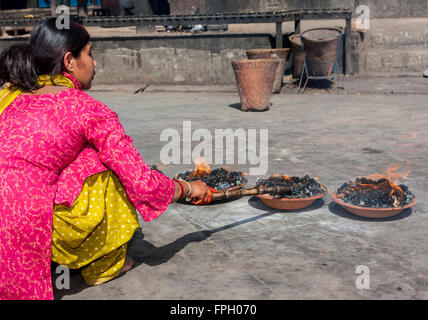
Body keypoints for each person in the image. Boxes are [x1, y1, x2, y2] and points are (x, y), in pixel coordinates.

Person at [0, 18, 215, 300]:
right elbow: (141, 182)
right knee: (105, 164)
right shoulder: (87, 109)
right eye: (89, 53)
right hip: (24, 224)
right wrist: (187, 188)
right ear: (69, 61)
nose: (95, 63)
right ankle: (102, 265)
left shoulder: (9, 94)